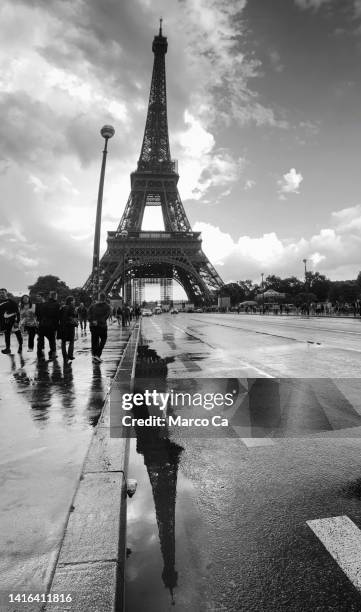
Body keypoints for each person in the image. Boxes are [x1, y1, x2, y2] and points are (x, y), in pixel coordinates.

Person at [37, 291, 61, 360]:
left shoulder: (44, 304)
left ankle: (40, 354)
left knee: (40, 341)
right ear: (55, 296)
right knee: (52, 340)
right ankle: (52, 353)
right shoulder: (57, 304)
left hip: (42, 324)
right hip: (51, 325)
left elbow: (40, 314)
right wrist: (57, 326)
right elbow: (57, 316)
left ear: (50, 296)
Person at [88, 293, 111, 363]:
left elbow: (88, 314)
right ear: (105, 298)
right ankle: (97, 355)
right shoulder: (107, 306)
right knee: (103, 339)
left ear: (99, 298)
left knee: (94, 341)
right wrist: (99, 321)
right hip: (102, 326)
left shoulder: (93, 306)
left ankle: (94, 356)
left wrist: (92, 321)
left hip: (93, 326)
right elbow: (106, 316)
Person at [0, 288, 22, 354]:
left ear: (6, 293)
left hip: (13, 321)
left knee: (18, 334)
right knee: (7, 335)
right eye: (0, 293)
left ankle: (20, 346)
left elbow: (17, 312)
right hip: (4, 322)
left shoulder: (11, 302)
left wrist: (17, 322)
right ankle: (8, 348)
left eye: (3, 292)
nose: (1, 294)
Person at [58, 296, 77, 364]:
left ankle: (64, 356)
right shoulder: (72, 308)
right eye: (73, 300)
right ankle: (70, 355)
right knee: (71, 341)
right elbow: (74, 316)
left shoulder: (62, 307)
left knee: (63, 342)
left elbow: (59, 316)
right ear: (71, 301)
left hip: (62, 327)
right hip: (70, 327)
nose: (74, 302)